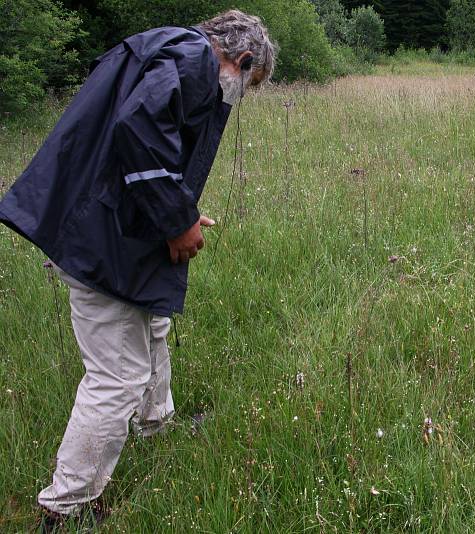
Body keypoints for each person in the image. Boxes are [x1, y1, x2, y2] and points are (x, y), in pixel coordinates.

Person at [0, 9, 276, 528]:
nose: (242, 97)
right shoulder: (192, 59)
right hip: (103, 240)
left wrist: (182, 210)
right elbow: (138, 131)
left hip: (113, 228)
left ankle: (157, 425)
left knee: (154, 324)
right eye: (250, 84)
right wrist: (176, 221)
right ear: (241, 60)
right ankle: (65, 507)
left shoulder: (166, 50)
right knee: (116, 376)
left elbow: (135, 151)